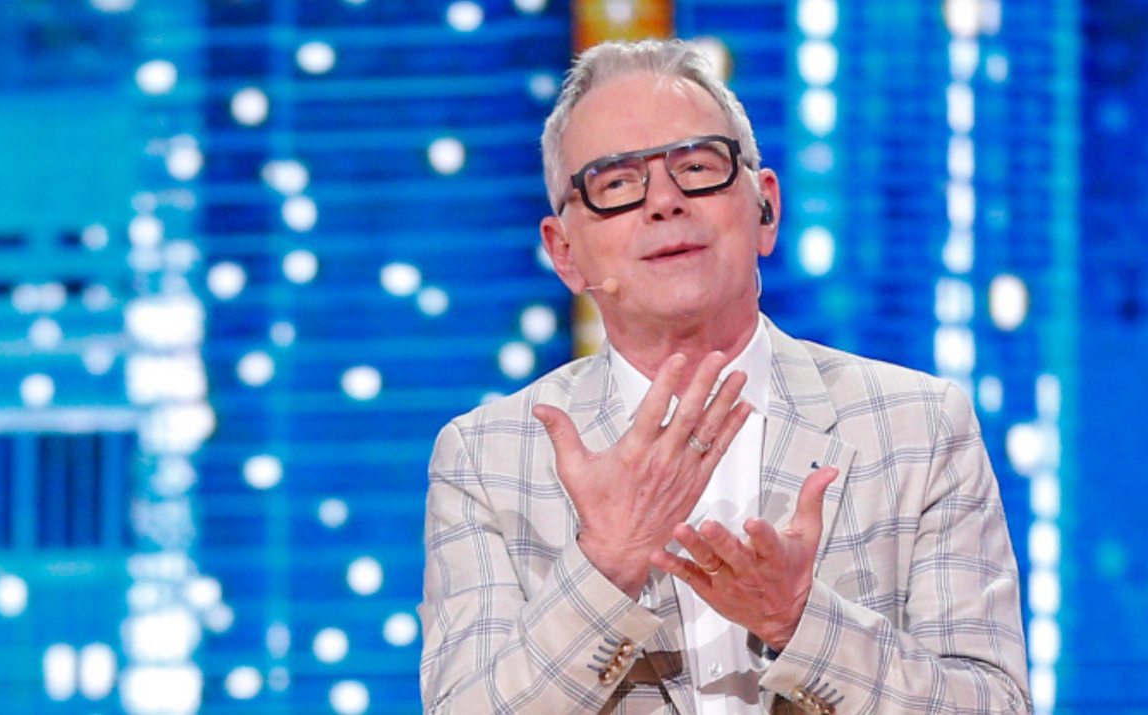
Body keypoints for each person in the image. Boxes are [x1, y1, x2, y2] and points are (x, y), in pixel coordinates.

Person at [421, 38, 1030, 715]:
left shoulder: (920, 427)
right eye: (616, 183)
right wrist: (607, 562)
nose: (664, 201)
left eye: (697, 166)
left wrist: (800, 621)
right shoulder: (487, 458)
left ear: (765, 208)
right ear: (565, 255)